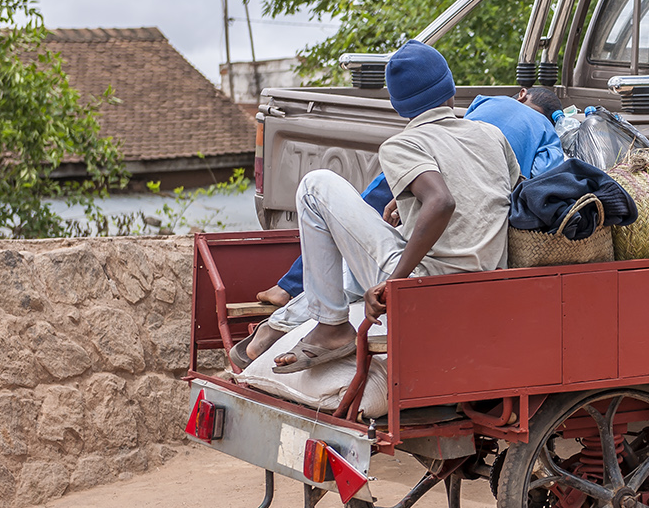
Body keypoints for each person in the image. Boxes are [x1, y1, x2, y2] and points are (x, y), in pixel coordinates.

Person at [230, 41, 519, 373]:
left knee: (316, 185)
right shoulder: (491, 134)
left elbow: (441, 202)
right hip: (491, 284)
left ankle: (331, 326)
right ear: (451, 88)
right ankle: (281, 325)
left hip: (431, 286)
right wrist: (409, 200)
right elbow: (500, 195)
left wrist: (394, 283)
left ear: (398, 106)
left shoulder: (404, 144)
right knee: (373, 244)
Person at [251, 86, 560, 308]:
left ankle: (289, 287)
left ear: (521, 93)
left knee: (363, 209)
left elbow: (454, 125)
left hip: (430, 161)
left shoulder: (490, 102)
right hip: (477, 190)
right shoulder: (547, 130)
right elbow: (539, 175)